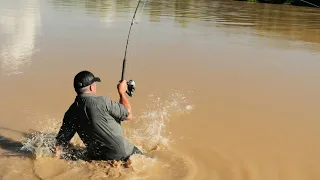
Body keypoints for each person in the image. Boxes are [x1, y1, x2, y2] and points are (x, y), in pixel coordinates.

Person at [52, 70, 142, 162]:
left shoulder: (70, 113)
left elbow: (59, 146)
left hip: (97, 158)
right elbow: (128, 115)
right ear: (91, 87)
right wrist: (122, 92)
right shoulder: (103, 101)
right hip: (123, 154)